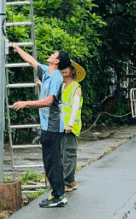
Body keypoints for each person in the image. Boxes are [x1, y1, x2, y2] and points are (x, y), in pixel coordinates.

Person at [11, 43, 69, 208]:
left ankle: (60, 196)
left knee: (53, 161)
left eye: (54, 54)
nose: (51, 54)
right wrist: (17, 49)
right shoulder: (46, 71)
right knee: (48, 162)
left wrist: (26, 103)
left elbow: (49, 101)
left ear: (56, 61)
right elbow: (31, 61)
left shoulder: (57, 76)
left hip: (53, 127)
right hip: (47, 126)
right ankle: (56, 193)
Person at [60, 61, 84, 192]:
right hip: (61, 125)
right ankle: (71, 181)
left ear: (73, 71)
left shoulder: (76, 87)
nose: (64, 70)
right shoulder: (62, 86)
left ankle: (68, 182)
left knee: (69, 154)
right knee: (62, 154)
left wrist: (70, 124)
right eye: (62, 68)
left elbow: (75, 107)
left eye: (67, 68)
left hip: (71, 126)